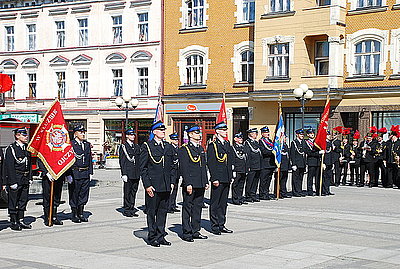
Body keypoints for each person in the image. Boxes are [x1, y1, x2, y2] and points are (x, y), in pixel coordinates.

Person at [140, 121, 175, 247]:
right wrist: (147, 185)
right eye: (161, 130)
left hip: (165, 185)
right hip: (153, 186)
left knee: (162, 212)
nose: (163, 132)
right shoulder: (147, 146)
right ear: (154, 132)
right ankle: (152, 236)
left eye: (164, 130)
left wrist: (171, 182)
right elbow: (143, 168)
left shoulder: (168, 146)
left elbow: (172, 167)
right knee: (152, 212)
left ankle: (161, 236)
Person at [179, 125, 209, 242]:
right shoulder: (184, 149)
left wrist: (205, 181)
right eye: (196, 133)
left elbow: (203, 167)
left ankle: (195, 230)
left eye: (199, 133)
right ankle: (187, 232)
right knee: (188, 208)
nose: (199, 135)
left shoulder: (200, 148)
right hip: (191, 183)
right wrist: (188, 183)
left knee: (197, 208)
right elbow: (184, 168)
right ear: (190, 135)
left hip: (200, 183)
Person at [207, 121, 234, 235]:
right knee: (215, 203)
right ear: (217, 131)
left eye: (226, 130)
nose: (225, 132)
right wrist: (214, 178)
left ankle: (222, 224)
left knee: (223, 203)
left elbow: (230, 160)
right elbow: (211, 163)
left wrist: (231, 175)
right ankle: (214, 225)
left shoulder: (227, 144)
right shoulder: (213, 145)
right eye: (223, 130)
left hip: (226, 177)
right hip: (218, 177)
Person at [4, 127, 32, 231]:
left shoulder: (26, 148)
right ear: (17, 136)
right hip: (16, 177)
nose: (26, 136)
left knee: (23, 199)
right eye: (23, 135)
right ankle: (13, 221)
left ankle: (21, 219)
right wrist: (12, 181)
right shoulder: (11, 148)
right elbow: (9, 166)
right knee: (13, 200)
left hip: (24, 177)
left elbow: (28, 165)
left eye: (26, 135)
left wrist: (30, 177)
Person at [68, 125, 93, 223]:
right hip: (75, 172)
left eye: (83, 132)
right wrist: (68, 174)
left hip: (85, 172)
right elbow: (68, 160)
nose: (83, 134)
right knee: (74, 194)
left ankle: (81, 213)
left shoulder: (86, 144)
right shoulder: (71, 144)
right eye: (80, 132)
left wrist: (90, 172)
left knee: (84, 194)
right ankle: (74, 214)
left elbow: (89, 159)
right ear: (75, 134)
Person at [119, 128, 141, 217]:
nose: (133, 136)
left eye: (133, 135)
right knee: (127, 192)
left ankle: (132, 208)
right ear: (127, 136)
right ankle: (127, 209)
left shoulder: (136, 146)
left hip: (136, 173)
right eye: (131, 135)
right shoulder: (123, 147)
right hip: (128, 173)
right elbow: (122, 161)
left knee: (133, 191)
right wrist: (124, 173)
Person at [37, 159, 64, 226]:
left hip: (58, 174)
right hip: (47, 177)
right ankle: (47, 218)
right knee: (47, 197)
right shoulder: (44, 149)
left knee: (57, 196)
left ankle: (54, 216)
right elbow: (40, 161)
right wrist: (46, 173)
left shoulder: (60, 148)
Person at [243, 128, 262, 202]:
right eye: (255, 133)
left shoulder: (256, 143)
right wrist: (248, 167)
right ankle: (248, 196)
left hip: (257, 165)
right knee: (250, 182)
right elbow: (247, 156)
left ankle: (253, 195)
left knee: (255, 181)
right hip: (251, 165)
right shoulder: (247, 143)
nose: (256, 134)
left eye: (256, 133)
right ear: (250, 134)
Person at [258, 126, 276, 200]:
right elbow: (264, 152)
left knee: (269, 180)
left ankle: (266, 193)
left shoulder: (270, 141)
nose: (267, 133)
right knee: (263, 180)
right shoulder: (261, 141)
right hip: (265, 164)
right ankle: (262, 194)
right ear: (262, 134)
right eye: (265, 132)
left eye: (268, 132)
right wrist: (272, 152)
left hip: (271, 164)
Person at [231, 132, 248, 205]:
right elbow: (232, 159)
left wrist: (247, 168)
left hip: (243, 168)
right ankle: (235, 199)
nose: (241, 139)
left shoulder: (243, 147)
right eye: (239, 138)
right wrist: (233, 170)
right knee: (236, 184)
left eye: (241, 138)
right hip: (237, 169)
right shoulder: (233, 148)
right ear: (235, 139)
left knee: (241, 184)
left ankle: (240, 197)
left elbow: (246, 159)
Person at [289, 129, 306, 197]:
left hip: (302, 163)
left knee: (300, 178)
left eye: (302, 134)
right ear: (297, 135)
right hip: (296, 163)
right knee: (295, 178)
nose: (302, 135)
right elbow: (292, 154)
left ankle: (299, 190)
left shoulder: (303, 142)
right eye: (300, 134)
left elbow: (306, 151)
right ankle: (295, 191)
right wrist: (293, 164)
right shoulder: (294, 142)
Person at [304, 128, 321, 196]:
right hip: (311, 162)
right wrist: (318, 153)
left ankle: (317, 190)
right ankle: (310, 191)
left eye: (313, 133)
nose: (312, 134)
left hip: (317, 162)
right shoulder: (306, 142)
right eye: (310, 133)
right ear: (308, 135)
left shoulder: (316, 142)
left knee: (317, 177)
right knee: (310, 177)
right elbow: (309, 152)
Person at [168, 133, 180, 213]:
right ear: (171, 140)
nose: (176, 141)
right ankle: (169, 206)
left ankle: (173, 204)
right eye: (175, 139)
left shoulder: (178, 149)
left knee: (175, 189)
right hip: (171, 172)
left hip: (177, 172)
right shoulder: (169, 148)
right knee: (171, 190)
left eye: (177, 139)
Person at [322, 131, 334, 196]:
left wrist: (332, 163)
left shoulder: (330, 143)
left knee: (328, 177)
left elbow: (331, 154)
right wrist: (323, 163)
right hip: (325, 163)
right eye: (328, 135)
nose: (329, 136)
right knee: (324, 177)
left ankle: (328, 190)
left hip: (329, 162)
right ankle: (324, 190)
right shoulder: (323, 143)